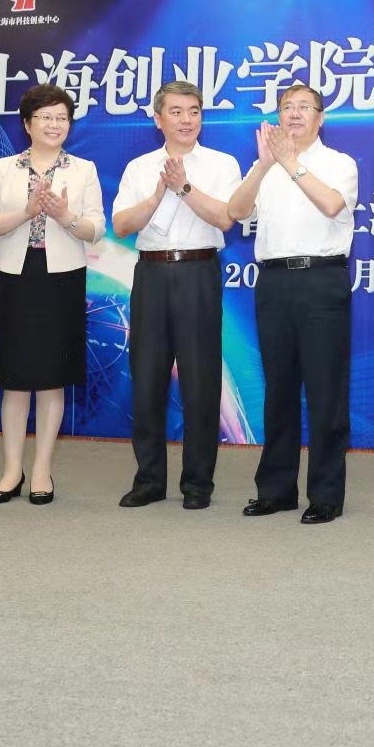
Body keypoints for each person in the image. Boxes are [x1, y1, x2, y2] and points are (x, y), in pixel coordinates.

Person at [226, 83, 359, 524]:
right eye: (287, 106)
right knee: (279, 390)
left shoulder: (339, 163)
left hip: (321, 281)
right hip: (274, 282)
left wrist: (290, 163)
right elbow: (235, 211)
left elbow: (331, 204)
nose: (295, 113)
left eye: (305, 107)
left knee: (325, 393)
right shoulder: (265, 165)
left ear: (321, 118)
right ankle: (276, 490)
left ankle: (325, 494)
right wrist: (264, 166)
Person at [111, 80, 242, 511]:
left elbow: (226, 218)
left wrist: (184, 187)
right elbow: (123, 226)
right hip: (151, 274)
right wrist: (158, 194)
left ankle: (198, 484)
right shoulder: (139, 167)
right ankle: (149, 480)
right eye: (177, 111)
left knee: (200, 382)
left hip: (198, 272)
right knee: (147, 378)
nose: (187, 120)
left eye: (194, 111)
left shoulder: (222, 164)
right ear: (158, 118)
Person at [0, 84, 104, 506]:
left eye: (62, 117)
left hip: (62, 278)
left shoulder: (83, 170)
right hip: (16, 275)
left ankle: (43, 469)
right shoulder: (4, 168)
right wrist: (26, 212)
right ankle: (12, 470)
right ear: (27, 124)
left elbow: (96, 229)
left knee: (51, 377)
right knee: (14, 378)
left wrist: (64, 216)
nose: (55, 124)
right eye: (46, 117)